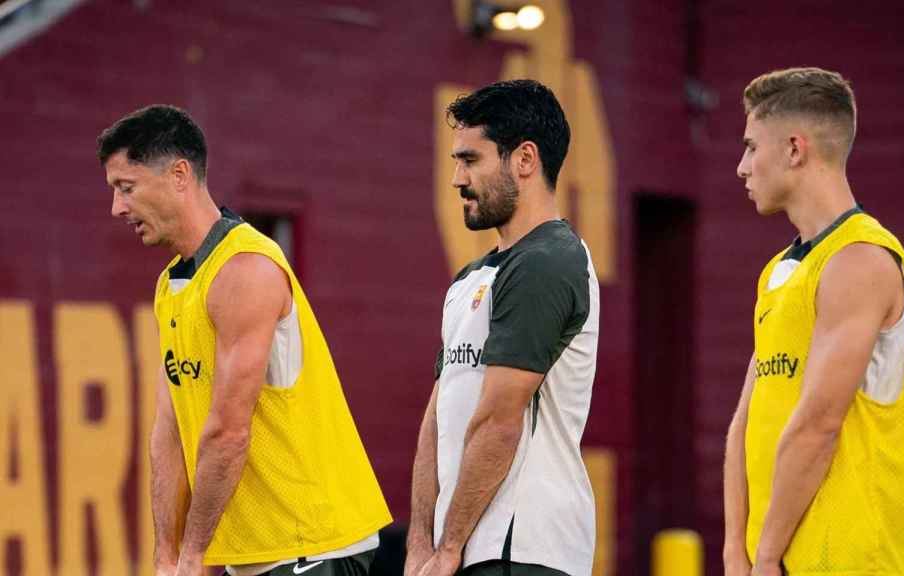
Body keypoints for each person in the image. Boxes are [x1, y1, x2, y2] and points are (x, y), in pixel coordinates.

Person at [98, 105, 392, 576]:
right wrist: (167, 555)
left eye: (125, 188)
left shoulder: (246, 268)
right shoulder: (173, 285)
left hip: (314, 545)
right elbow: (168, 431)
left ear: (179, 175)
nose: (117, 207)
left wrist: (193, 555)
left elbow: (228, 431)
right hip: (256, 555)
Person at [722, 67, 904, 576]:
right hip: (775, 560)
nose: (741, 167)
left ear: (795, 149)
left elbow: (818, 425)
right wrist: (737, 549)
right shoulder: (780, 272)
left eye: (753, 147)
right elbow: (744, 424)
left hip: (862, 560)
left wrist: (767, 554)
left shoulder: (861, 259)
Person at [405, 80, 600, 576]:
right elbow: (438, 415)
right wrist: (419, 543)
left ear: (525, 160)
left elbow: (499, 421)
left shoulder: (549, 261)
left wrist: (447, 548)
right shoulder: (473, 277)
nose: (456, 177)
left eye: (471, 160)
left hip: (525, 548)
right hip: (465, 548)